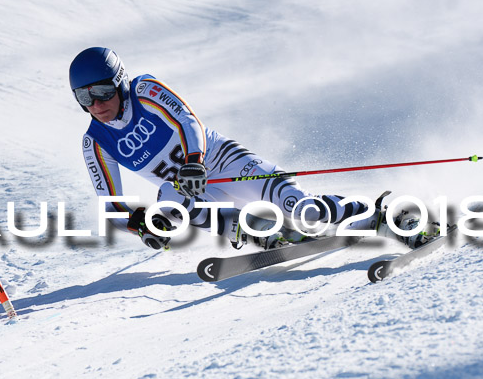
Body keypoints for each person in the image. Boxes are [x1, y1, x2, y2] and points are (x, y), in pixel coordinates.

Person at [70, 47, 429, 251]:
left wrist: (195, 160)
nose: (97, 104)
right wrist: (140, 227)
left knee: (303, 210)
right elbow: (112, 205)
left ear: (119, 82)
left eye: (102, 91)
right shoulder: (95, 142)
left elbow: (188, 121)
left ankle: (381, 216)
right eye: (85, 97)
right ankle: (251, 230)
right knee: (168, 204)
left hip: (219, 160)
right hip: (189, 194)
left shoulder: (145, 90)